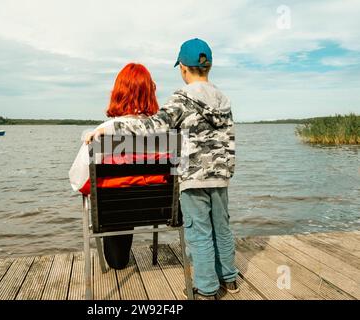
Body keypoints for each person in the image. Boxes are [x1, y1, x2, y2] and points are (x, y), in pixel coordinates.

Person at [86, 39, 239, 299]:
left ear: (182, 68)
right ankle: (229, 278)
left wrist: (113, 129)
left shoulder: (182, 99)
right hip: (221, 176)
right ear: (209, 67)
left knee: (199, 232)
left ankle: (206, 288)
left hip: (194, 179)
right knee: (222, 227)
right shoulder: (223, 100)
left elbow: (153, 127)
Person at [69, 63, 163, 269]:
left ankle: (117, 258)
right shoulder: (163, 132)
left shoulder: (104, 131)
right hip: (158, 208)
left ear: (119, 93)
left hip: (114, 209)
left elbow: (78, 179)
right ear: (150, 92)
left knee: (112, 193)